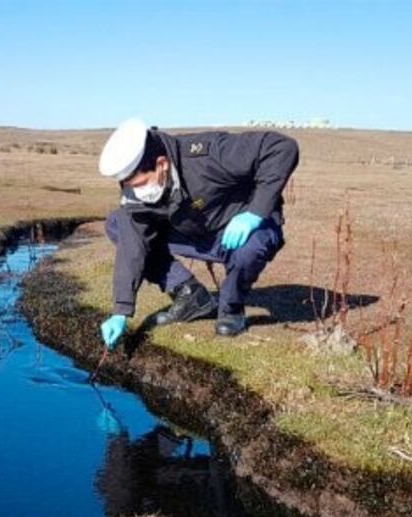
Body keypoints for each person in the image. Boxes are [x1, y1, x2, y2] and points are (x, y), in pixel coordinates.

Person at [97, 118, 299, 349]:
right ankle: (190, 295)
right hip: (194, 232)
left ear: (162, 164)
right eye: (130, 186)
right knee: (118, 224)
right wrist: (121, 310)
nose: (138, 193)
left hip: (241, 227)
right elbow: (132, 247)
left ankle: (231, 309)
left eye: (142, 183)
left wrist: (255, 213)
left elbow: (281, 148)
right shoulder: (134, 195)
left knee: (251, 247)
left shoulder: (208, 155)